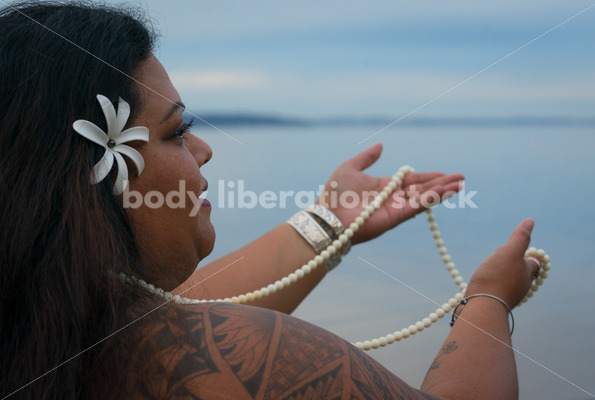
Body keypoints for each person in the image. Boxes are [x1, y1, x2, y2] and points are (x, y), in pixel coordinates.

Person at [0, 2, 542, 399]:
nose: (204, 151)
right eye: (175, 132)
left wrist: (331, 222)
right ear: (94, 170)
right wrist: (489, 302)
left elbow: (192, 306)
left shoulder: (45, 326)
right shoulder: (237, 363)